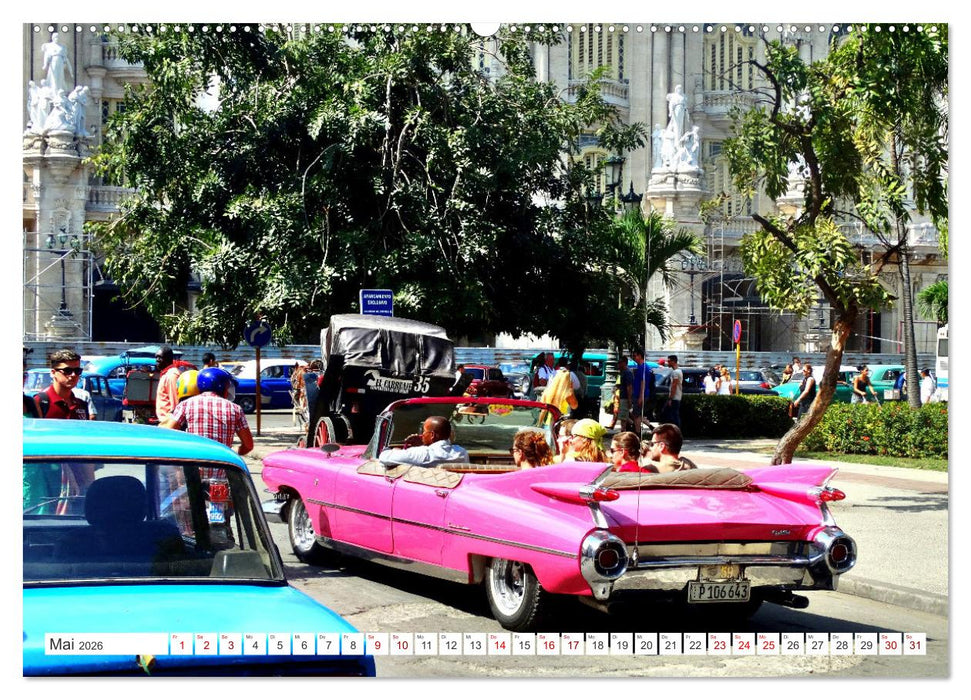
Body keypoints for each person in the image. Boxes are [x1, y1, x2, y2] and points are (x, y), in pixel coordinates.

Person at [161, 367, 253, 456]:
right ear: (222, 387)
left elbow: (167, 434)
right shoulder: (235, 409)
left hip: (193, 466)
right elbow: (248, 445)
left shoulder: (186, 405)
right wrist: (234, 453)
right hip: (223, 467)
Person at [378, 415, 469, 468]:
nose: (422, 435)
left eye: (424, 431)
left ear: (432, 435)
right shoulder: (462, 453)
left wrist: (395, 451)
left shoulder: (422, 453)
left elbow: (384, 457)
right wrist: (423, 445)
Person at [33, 348, 90, 420]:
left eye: (77, 371)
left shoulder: (81, 404)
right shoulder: (39, 402)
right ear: (53, 373)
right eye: (67, 370)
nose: (73, 375)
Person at [154, 345, 182, 423]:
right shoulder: (166, 374)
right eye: (156, 357)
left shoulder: (172, 375)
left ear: (167, 359)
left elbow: (175, 404)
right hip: (164, 422)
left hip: (168, 422)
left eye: (160, 357)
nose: (157, 360)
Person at [630, 349, 654, 437]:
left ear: (640, 356)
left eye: (635, 355)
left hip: (640, 395)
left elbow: (643, 382)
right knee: (637, 414)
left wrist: (641, 396)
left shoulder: (643, 368)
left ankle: (637, 434)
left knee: (636, 415)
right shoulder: (643, 367)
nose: (634, 358)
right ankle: (649, 427)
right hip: (639, 394)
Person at [663, 355, 683, 428]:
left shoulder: (675, 372)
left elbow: (674, 385)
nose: (667, 363)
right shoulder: (679, 371)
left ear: (673, 361)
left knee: (673, 416)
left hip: (674, 397)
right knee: (674, 415)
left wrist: (670, 398)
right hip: (677, 397)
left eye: (669, 361)